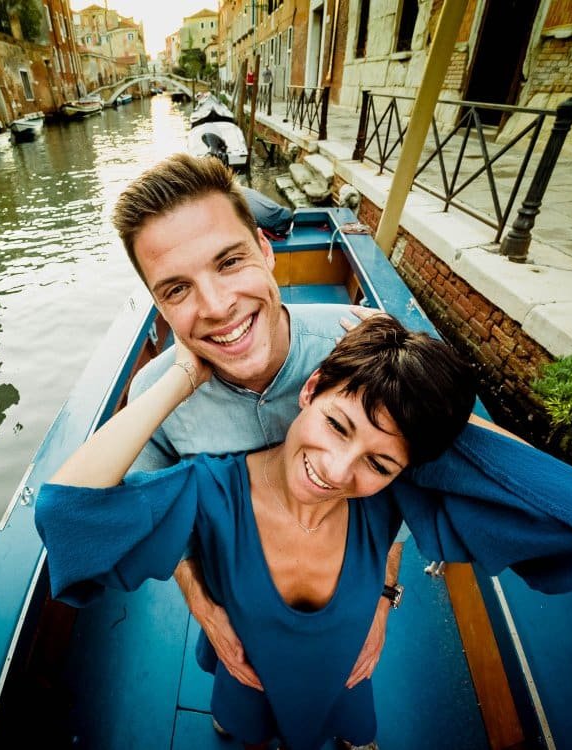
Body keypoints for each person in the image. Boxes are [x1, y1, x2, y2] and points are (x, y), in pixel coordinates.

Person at [35, 315, 572, 750]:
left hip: (345, 670)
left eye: (379, 461)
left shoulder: (387, 498)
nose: (338, 473)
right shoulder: (207, 490)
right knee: (243, 726)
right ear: (311, 389)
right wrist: (180, 377)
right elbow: (66, 520)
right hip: (246, 669)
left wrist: (440, 413)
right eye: (339, 426)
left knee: (350, 726)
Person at [110, 153, 407, 700]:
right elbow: (157, 518)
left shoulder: (360, 347)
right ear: (157, 305)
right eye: (177, 289)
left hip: (346, 597)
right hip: (232, 597)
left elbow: (405, 490)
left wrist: (382, 598)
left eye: (229, 262)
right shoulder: (154, 395)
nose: (217, 307)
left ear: (266, 251)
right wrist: (204, 608)